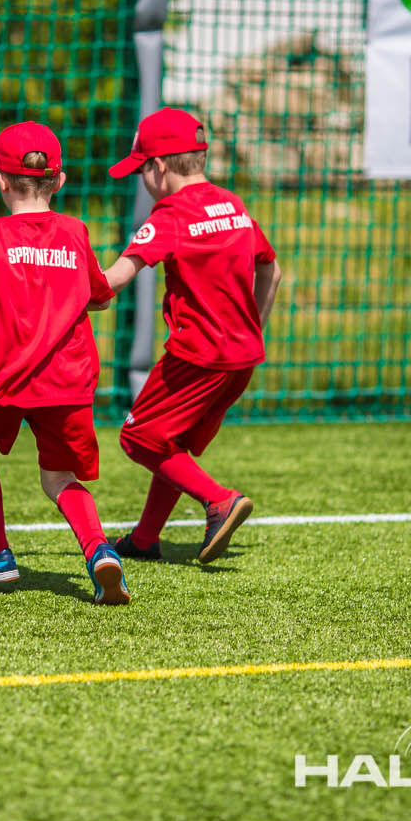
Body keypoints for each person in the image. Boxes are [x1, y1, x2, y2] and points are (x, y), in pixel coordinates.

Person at [0, 121, 128, 605]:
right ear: (58, 180)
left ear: (1, 181)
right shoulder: (76, 232)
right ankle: (99, 550)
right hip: (70, 380)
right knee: (59, 478)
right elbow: (101, 295)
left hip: (7, 375)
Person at [102, 107, 281, 564]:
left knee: (138, 438)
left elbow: (115, 280)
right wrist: (253, 327)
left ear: (159, 167)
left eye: (141, 169)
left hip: (196, 356)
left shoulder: (171, 214)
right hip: (242, 358)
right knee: (172, 441)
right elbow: (272, 270)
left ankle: (219, 501)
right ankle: (145, 539)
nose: (142, 180)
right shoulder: (233, 204)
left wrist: (67, 289)